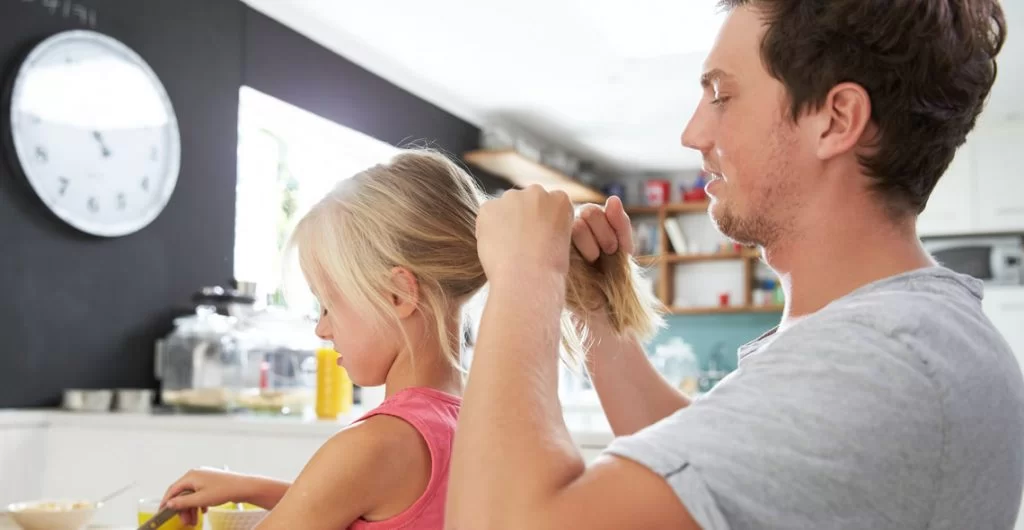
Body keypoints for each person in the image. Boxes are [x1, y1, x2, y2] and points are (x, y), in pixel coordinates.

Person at [446, 1, 1023, 529]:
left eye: (721, 95)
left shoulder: (882, 357)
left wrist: (524, 278)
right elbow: (700, 472)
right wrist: (598, 312)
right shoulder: (877, 340)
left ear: (836, 119)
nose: (693, 132)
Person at [157, 150, 657, 529]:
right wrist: (254, 488)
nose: (322, 327)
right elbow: (392, 511)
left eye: (330, 303)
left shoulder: (373, 444)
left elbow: (352, 489)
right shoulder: (480, 425)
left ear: (399, 294)